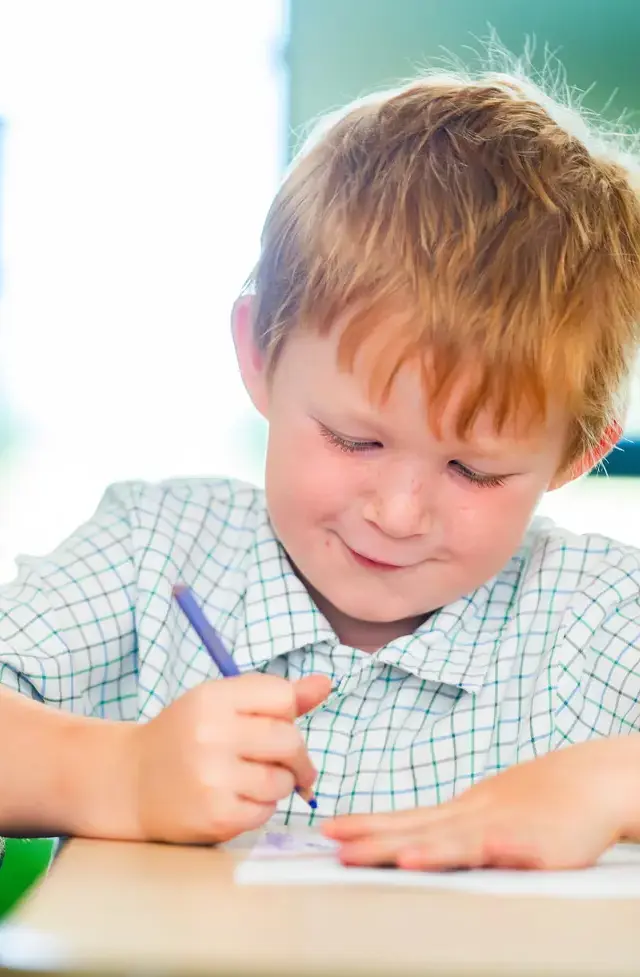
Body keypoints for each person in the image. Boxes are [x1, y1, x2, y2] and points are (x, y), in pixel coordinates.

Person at [2, 63, 640, 871]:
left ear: (577, 453)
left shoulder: (600, 618)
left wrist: (615, 783)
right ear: (260, 355)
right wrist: (121, 774)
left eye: (473, 472)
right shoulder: (152, 553)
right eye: (354, 440)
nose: (400, 513)